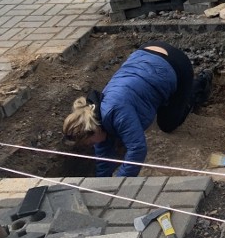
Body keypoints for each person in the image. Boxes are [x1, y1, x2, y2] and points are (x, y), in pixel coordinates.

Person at [63, 42, 212, 177]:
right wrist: (101, 183)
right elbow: (104, 156)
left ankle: (200, 83)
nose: (91, 145)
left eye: (89, 143)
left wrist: (119, 184)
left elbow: (137, 149)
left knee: (168, 124)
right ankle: (162, 96)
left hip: (175, 63)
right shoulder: (95, 115)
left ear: (92, 130)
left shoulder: (117, 111)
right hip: (146, 53)